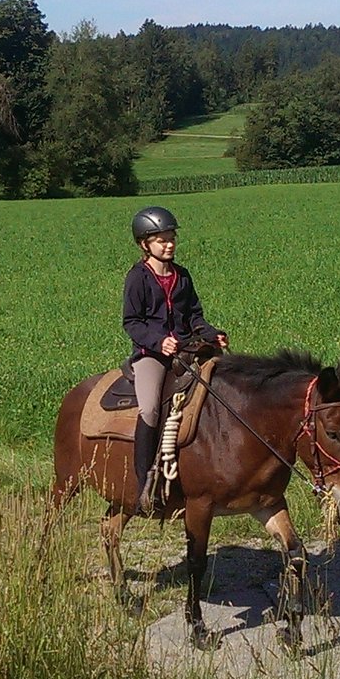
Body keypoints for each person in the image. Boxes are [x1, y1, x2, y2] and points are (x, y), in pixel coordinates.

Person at [122, 205, 227, 513]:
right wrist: (159, 342)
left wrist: (213, 334)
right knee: (151, 409)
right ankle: (144, 487)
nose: (169, 245)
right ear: (144, 244)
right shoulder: (137, 278)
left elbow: (195, 316)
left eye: (171, 238)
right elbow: (132, 322)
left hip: (186, 350)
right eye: (161, 240)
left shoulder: (182, 276)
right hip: (151, 355)